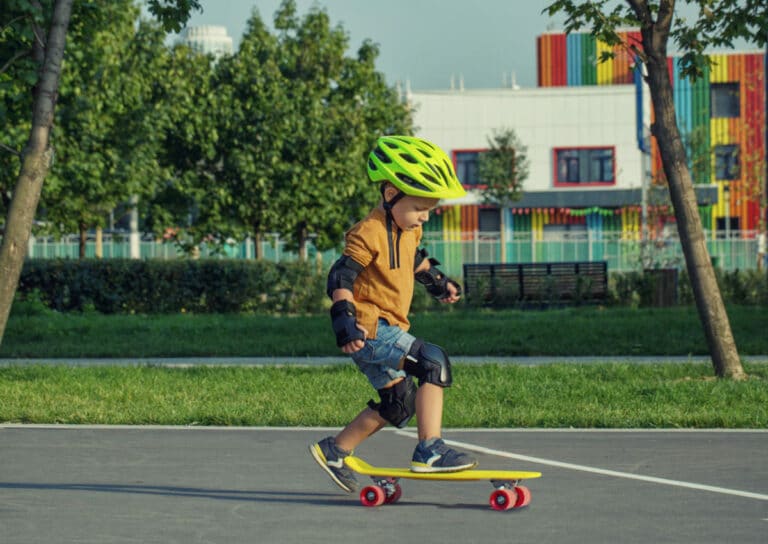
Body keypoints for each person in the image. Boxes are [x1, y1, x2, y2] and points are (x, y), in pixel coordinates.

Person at [309, 135, 478, 493]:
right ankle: (430, 449)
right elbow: (341, 276)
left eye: (430, 208)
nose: (425, 217)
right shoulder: (367, 233)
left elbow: (414, 261)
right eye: (420, 207)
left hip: (385, 330)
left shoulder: (409, 229)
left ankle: (335, 450)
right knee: (433, 362)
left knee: (399, 403)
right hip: (370, 329)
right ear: (390, 194)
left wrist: (438, 282)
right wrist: (344, 322)